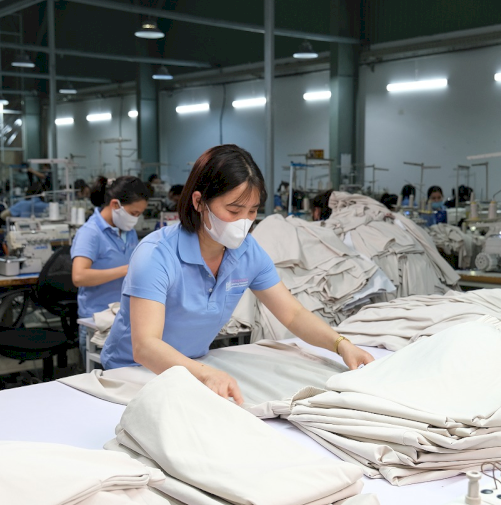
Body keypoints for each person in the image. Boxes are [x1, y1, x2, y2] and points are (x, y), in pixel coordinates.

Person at [100, 145, 374, 403]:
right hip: (133, 373)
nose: (243, 222)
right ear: (199, 201)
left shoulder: (247, 251)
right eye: (233, 210)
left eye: (252, 211)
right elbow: (146, 346)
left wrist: (340, 345)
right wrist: (205, 373)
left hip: (192, 366)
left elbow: (293, 314)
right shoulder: (156, 254)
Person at [71, 176, 151, 363]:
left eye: (139, 214)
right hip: (97, 321)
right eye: (133, 213)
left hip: (124, 318)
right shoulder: (90, 233)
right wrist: (125, 270)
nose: (135, 219)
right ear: (116, 205)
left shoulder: (128, 231)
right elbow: (79, 276)